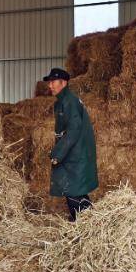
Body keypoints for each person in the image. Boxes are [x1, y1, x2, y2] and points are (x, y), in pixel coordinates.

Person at [43, 68, 98, 221]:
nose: (50, 86)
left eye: (53, 82)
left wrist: (58, 153)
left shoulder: (69, 101)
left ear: (64, 82)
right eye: (49, 82)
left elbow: (74, 130)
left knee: (74, 188)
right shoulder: (63, 101)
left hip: (76, 153)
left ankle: (87, 223)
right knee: (72, 188)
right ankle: (81, 222)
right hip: (73, 151)